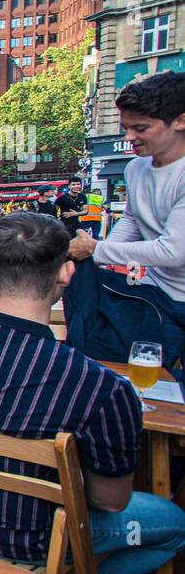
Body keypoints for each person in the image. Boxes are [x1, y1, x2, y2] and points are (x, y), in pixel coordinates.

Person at [0, 213, 185, 574]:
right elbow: (109, 501)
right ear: (66, 273)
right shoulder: (99, 387)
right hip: (33, 538)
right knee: (174, 524)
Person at [66, 71, 185, 386]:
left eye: (141, 128)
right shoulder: (135, 169)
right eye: (126, 128)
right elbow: (133, 219)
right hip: (159, 296)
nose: (130, 136)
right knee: (155, 387)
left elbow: (173, 251)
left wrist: (96, 249)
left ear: (180, 121)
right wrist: (97, 259)